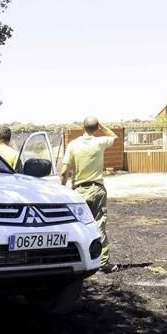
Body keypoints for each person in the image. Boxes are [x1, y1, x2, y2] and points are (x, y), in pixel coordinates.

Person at [60, 116, 117, 272]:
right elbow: (114, 136)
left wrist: (63, 189)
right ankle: (103, 263)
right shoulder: (99, 142)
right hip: (97, 189)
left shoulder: (73, 145)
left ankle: (76, 260)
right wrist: (102, 126)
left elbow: (64, 171)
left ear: (82, 127)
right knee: (99, 225)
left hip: (78, 191)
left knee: (77, 226)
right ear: (96, 127)